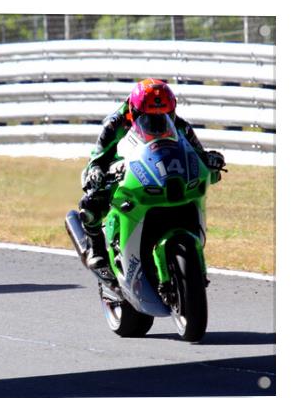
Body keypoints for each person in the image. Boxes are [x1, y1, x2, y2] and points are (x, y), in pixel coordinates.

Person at [78, 78, 225, 280]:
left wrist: (210, 160)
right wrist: (96, 173)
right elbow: (96, 158)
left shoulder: (180, 125)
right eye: (149, 117)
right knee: (90, 202)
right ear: (134, 111)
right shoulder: (115, 124)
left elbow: (197, 153)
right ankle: (95, 247)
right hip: (121, 169)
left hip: (160, 169)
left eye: (163, 115)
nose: (156, 122)